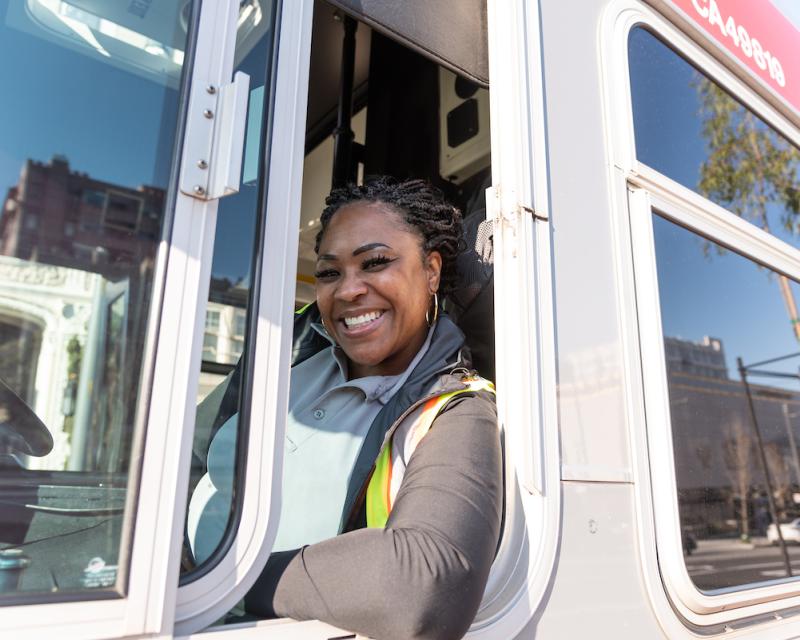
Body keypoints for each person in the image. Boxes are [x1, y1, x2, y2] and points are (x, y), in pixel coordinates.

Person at [192, 177, 502, 640]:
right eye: (330, 273)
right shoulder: (289, 351)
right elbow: (189, 458)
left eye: (376, 262)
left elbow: (423, 587)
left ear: (431, 270)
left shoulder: (455, 410)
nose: (348, 291)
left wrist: (215, 579)